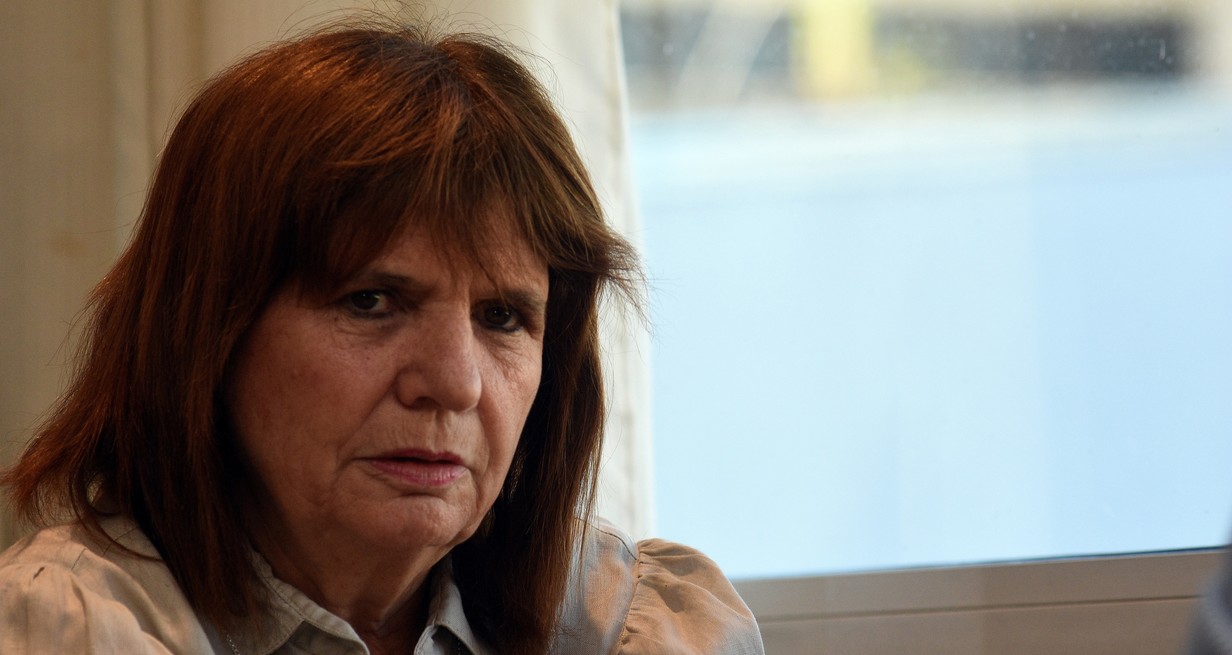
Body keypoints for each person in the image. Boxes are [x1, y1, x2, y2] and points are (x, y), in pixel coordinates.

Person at [0, 22, 764, 655]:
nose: (456, 382)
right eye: (371, 302)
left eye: (503, 317)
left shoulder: (620, 624)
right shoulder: (71, 628)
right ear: (205, 336)